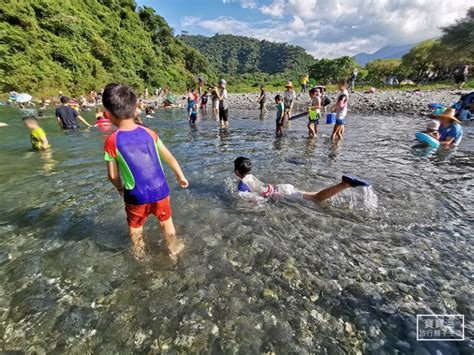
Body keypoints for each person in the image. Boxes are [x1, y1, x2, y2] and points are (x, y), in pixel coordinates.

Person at [103, 83, 189, 258]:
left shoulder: (112, 141)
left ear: (108, 113)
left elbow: (113, 175)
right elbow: (170, 157)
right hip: (161, 190)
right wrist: (181, 176)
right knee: (166, 224)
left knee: (136, 229)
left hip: (136, 195)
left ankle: (140, 257)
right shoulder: (150, 133)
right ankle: (174, 250)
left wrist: (120, 189)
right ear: (135, 109)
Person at [234, 157, 370, 203]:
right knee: (311, 194)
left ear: (236, 172)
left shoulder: (242, 184)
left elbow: (253, 200)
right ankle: (335, 194)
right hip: (282, 187)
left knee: (315, 199)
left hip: (282, 194)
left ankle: (345, 184)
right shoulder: (251, 176)